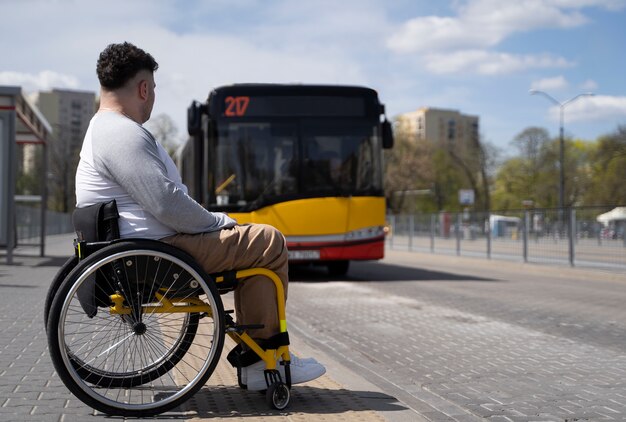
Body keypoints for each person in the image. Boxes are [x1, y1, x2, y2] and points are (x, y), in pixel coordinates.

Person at [75, 42, 325, 390]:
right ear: (144, 88)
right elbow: (166, 204)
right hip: (159, 252)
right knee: (269, 242)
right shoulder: (120, 133)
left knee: (256, 248)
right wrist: (217, 221)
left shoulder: (104, 130)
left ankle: (258, 356)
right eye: (154, 89)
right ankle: (263, 357)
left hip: (146, 250)